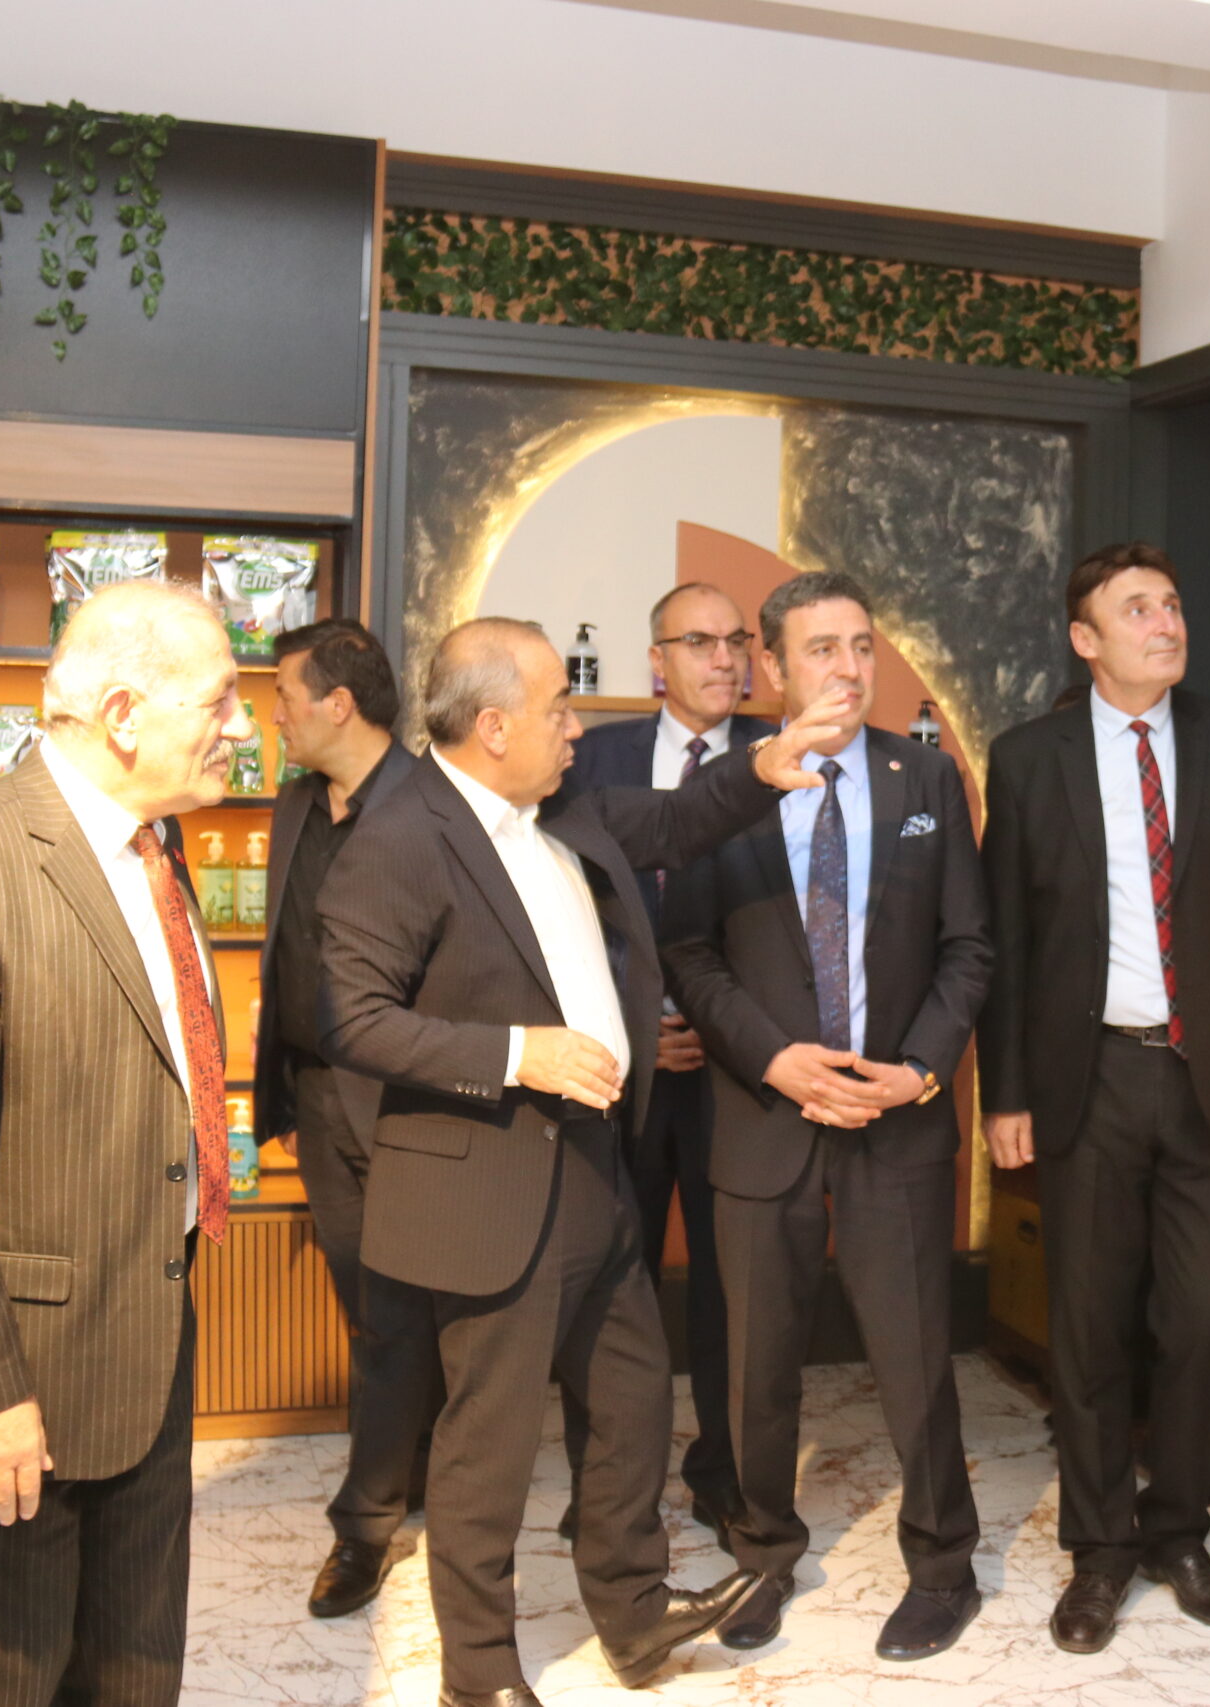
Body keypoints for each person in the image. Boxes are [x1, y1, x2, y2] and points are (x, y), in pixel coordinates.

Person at [315, 617, 850, 1707]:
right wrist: (522, 1054)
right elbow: (353, 1020)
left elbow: (677, 820)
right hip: (487, 1181)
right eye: (559, 707)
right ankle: (477, 1674)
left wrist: (762, 765)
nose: (576, 726)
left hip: (596, 1169)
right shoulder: (398, 836)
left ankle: (635, 1616)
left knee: (633, 1401)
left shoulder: (560, 805)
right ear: (493, 724)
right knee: (490, 1444)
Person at [0, 580, 252, 1706]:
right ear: (123, 714)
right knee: (7, 1686)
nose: (241, 723)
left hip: (143, 1353)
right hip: (6, 1382)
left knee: (133, 1676)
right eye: (219, 699)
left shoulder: (157, 854)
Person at [977, 542, 1210, 1656]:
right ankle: (1100, 1548)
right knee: (1086, 1326)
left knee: (1209, 1316)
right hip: (1089, 1077)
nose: (1165, 623)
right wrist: (1006, 1091)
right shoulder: (1028, 759)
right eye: (1137, 611)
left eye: (1170, 604)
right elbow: (1008, 941)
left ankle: (1178, 1529)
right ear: (1086, 640)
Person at [660, 571, 991, 1661]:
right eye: (820, 649)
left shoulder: (924, 775)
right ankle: (762, 1555)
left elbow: (968, 947)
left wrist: (921, 1070)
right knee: (755, 1366)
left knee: (915, 1358)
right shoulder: (728, 787)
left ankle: (943, 1567)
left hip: (896, 1120)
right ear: (770, 665)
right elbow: (689, 952)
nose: (848, 668)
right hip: (765, 1116)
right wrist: (774, 1058)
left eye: (861, 645)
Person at [547, 583, 775, 1554]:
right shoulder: (590, 758)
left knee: (736, 1292)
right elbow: (559, 910)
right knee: (604, 1286)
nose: (725, 658)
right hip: (618, 1076)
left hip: (741, 1078)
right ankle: (605, 1483)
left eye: (737, 641)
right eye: (701, 641)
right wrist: (639, 1024)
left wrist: (731, 1029)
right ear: (657, 659)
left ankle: (726, 1476)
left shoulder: (785, 758)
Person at [252, 617, 440, 1619]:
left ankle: (367, 1525)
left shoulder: (433, 804)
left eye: (285, 696)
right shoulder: (295, 805)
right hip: (321, 1098)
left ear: (338, 703)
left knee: (402, 1315)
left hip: (408, 1106)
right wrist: (283, 1089)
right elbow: (287, 947)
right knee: (370, 1311)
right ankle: (403, 1476)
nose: (273, 716)